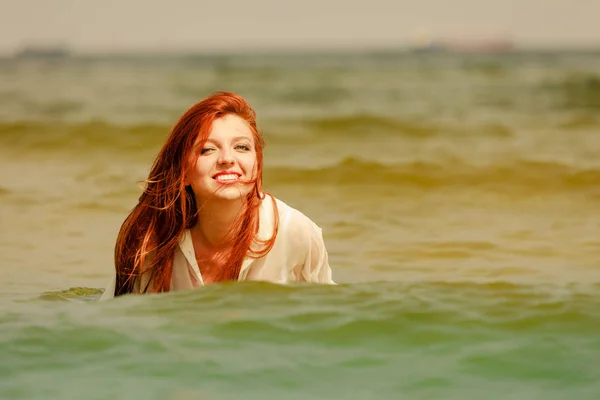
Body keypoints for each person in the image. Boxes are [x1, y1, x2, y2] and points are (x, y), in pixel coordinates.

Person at [100, 91, 334, 300]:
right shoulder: (155, 240)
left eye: (242, 147)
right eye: (207, 150)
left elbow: (326, 320)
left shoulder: (296, 232)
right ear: (183, 172)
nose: (227, 159)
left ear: (257, 162)